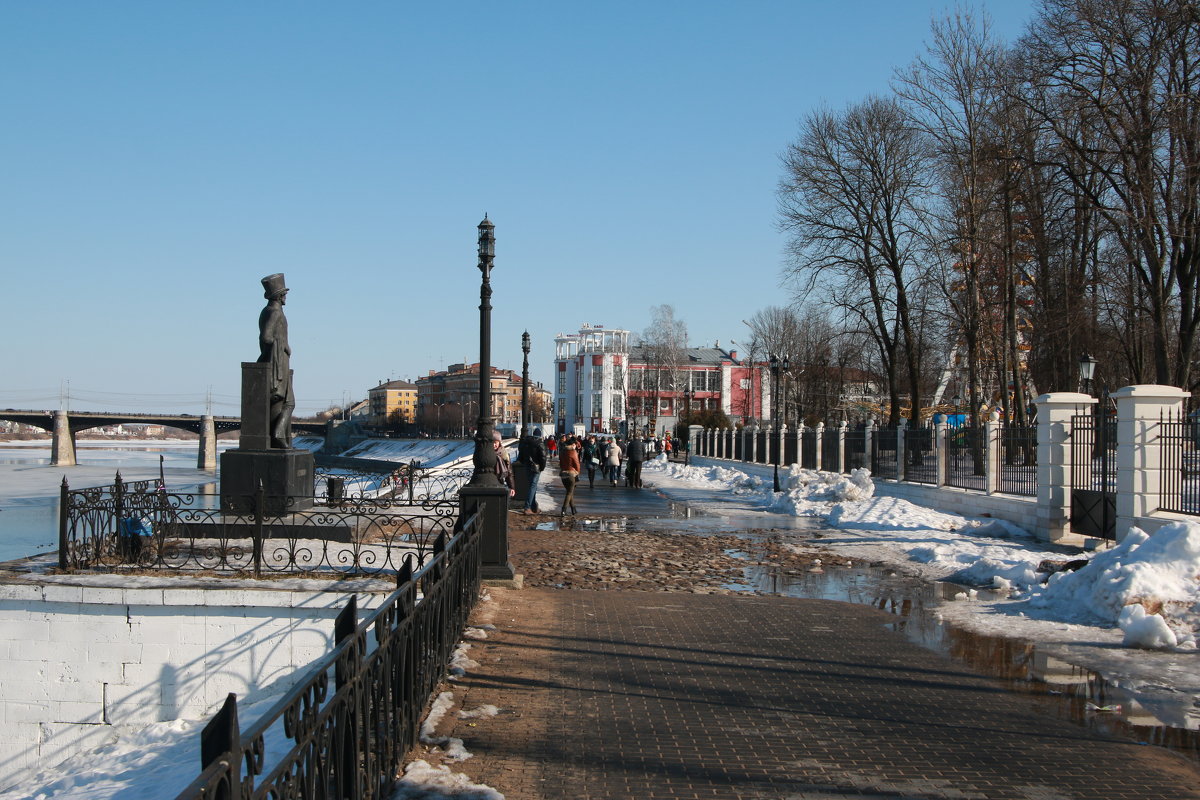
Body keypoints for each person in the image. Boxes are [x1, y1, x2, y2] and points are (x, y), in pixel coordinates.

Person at [257, 273, 295, 449]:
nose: (286, 297)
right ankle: (278, 435)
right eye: (284, 294)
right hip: (277, 363)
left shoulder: (267, 311)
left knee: (284, 402)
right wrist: (284, 347)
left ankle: (277, 435)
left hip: (276, 360)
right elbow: (266, 337)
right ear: (279, 296)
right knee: (288, 402)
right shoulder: (275, 313)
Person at [517, 428, 547, 514]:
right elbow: (543, 457)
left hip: (527, 466)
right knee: (533, 487)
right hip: (536, 467)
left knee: (531, 486)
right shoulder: (540, 443)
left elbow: (521, 453)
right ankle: (527, 507)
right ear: (540, 435)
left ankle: (534, 507)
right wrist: (542, 467)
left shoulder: (526, 442)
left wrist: (524, 462)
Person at [558, 434, 581, 515]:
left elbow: (560, 463)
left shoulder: (562, 452)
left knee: (569, 492)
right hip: (571, 474)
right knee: (569, 492)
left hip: (563, 474)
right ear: (572, 445)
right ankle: (563, 510)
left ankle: (573, 509)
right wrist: (578, 472)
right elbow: (577, 464)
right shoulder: (573, 452)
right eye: (574, 444)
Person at [492, 430, 515, 499]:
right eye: (492, 442)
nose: (494, 445)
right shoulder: (487, 454)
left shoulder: (504, 454)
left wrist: (511, 487)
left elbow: (509, 472)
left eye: (495, 442)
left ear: (499, 442)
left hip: (499, 483)